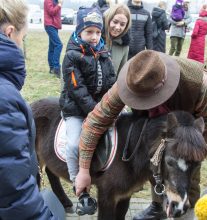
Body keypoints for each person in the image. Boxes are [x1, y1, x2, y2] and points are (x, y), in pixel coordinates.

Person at [75, 50, 207, 219]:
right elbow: (94, 122)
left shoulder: (198, 83)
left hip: (189, 125)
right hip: (154, 127)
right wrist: (83, 170)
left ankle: (184, 211)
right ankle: (158, 207)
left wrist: (192, 146)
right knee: (154, 160)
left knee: (185, 170)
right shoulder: (132, 80)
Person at [0, 0, 64, 219]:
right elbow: (13, 189)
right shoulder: (5, 100)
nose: (21, 42)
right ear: (10, 33)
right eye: (23, 37)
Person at [59, 5, 116, 197]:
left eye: (98, 32)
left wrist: (114, 102)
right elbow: (77, 90)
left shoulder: (103, 53)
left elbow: (111, 80)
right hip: (76, 109)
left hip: (98, 108)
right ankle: (77, 183)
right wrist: (97, 112)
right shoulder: (72, 56)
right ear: (79, 31)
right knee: (75, 144)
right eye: (89, 31)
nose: (94, 36)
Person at [103, 4, 131, 75]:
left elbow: (121, 74)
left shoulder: (124, 45)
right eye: (115, 22)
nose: (117, 27)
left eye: (122, 24)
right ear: (108, 19)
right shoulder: (95, 39)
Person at [44, 0, 63, 78]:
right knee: (59, 45)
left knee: (52, 46)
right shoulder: (48, 0)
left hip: (54, 25)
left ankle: (52, 68)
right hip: (50, 25)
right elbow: (51, 12)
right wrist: (59, 5)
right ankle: (56, 68)